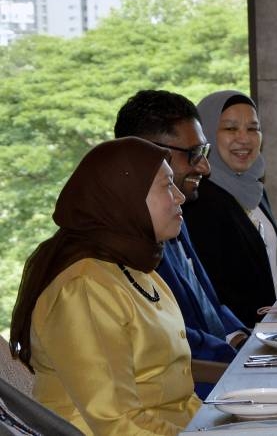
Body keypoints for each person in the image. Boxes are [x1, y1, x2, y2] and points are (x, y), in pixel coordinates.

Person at [7, 137, 201, 435]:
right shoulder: (83, 289)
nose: (179, 197)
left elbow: (177, 398)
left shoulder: (135, 269)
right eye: (166, 186)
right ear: (126, 198)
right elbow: (115, 423)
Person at [114, 90, 250, 398]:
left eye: (204, 152)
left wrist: (247, 339)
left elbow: (210, 306)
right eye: (193, 154)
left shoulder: (176, 214)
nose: (205, 167)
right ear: (148, 154)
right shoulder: (123, 247)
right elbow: (171, 339)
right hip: (192, 393)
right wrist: (244, 362)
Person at [183, 91, 277, 326]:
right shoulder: (200, 201)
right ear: (205, 133)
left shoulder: (254, 188)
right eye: (230, 129)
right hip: (245, 340)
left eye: (253, 129)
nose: (244, 138)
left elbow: (275, 276)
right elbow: (215, 294)